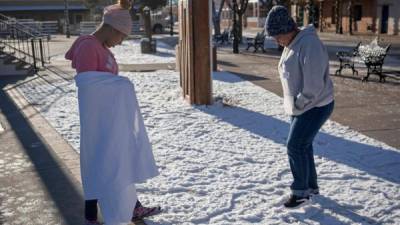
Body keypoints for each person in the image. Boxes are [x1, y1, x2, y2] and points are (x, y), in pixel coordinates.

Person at [65, 1, 160, 224]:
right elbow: (90, 88)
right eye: (122, 37)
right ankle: (92, 216)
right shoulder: (88, 47)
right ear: (113, 29)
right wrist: (122, 86)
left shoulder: (102, 48)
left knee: (116, 162)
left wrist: (120, 89)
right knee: (101, 164)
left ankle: (132, 206)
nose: (121, 42)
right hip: (100, 123)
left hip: (111, 120)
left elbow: (104, 84)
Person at [264, 6, 335, 208]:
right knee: (303, 145)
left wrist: (298, 103)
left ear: (288, 28)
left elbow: (313, 86)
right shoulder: (294, 42)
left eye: (278, 36)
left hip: (314, 105)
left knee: (295, 146)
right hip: (300, 106)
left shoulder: (309, 44)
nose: (277, 41)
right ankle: (310, 187)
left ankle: (301, 192)